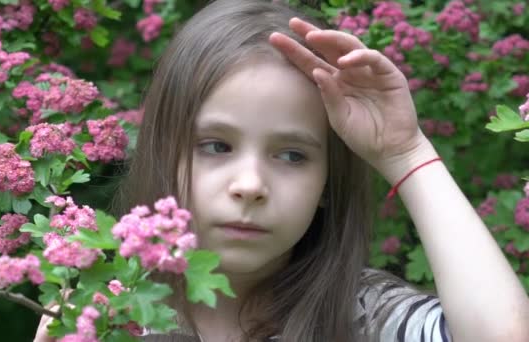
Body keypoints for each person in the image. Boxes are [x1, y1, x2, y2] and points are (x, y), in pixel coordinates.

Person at [35, 0, 529, 341]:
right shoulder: (105, 316)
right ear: (165, 152)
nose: (250, 185)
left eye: (292, 155)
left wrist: (405, 152)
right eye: (216, 145)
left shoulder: (362, 316)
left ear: (326, 184)